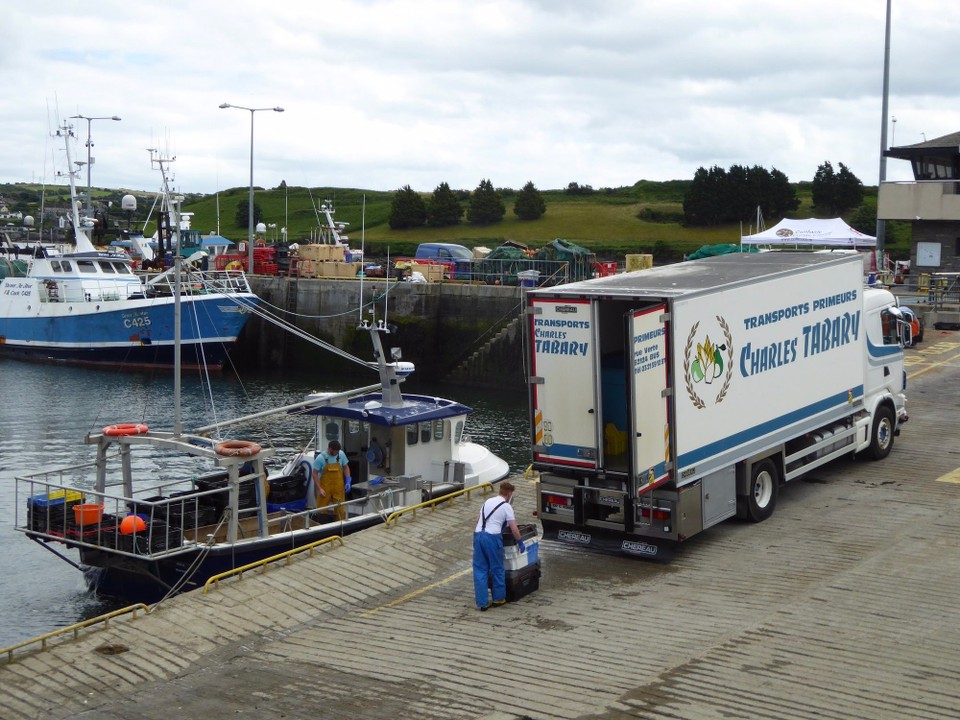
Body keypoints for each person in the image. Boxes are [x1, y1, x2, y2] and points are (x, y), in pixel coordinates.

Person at [473, 481, 525, 611]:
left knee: (480, 570)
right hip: (492, 538)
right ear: (510, 494)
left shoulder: (487, 502)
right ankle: (499, 599)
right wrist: (520, 542)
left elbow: (478, 520)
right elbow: (513, 528)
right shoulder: (506, 506)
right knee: (497, 569)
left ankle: (482, 603)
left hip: (478, 535)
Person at [312, 440, 351, 520]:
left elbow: (346, 467)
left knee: (340, 509)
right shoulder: (320, 458)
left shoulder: (341, 454)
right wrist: (319, 489)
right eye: (335, 451)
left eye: (338, 451)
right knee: (321, 510)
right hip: (325, 488)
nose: (337, 453)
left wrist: (348, 480)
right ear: (330, 449)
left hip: (338, 488)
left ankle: (340, 525)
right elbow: (314, 474)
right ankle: (321, 525)